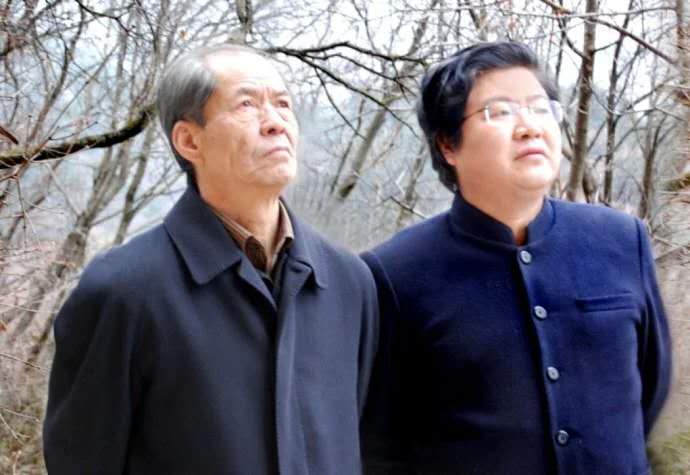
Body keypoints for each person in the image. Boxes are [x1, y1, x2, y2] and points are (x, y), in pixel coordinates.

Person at [43, 44, 378, 475]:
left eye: (283, 104)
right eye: (246, 105)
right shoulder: (122, 291)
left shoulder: (349, 283)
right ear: (189, 140)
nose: (275, 122)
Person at [361, 41, 671, 475]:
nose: (529, 127)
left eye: (541, 108)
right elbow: (381, 444)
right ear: (448, 144)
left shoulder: (621, 240)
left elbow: (650, 387)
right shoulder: (394, 274)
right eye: (500, 111)